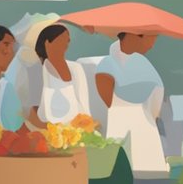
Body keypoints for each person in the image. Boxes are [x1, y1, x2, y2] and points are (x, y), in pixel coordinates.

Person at [97, 31, 167, 172]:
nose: (152, 45)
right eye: (150, 38)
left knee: (147, 164)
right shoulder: (107, 64)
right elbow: (106, 100)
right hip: (122, 118)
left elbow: (158, 91)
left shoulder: (143, 63)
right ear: (135, 36)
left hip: (142, 120)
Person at [26, 24, 91, 127]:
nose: (66, 44)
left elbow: (83, 103)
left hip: (76, 129)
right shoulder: (36, 70)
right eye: (62, 39)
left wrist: (86, 126)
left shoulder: (75, 68)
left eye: (68, 40)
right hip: (46, 129)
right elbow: (32, 110)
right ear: (47, 43)